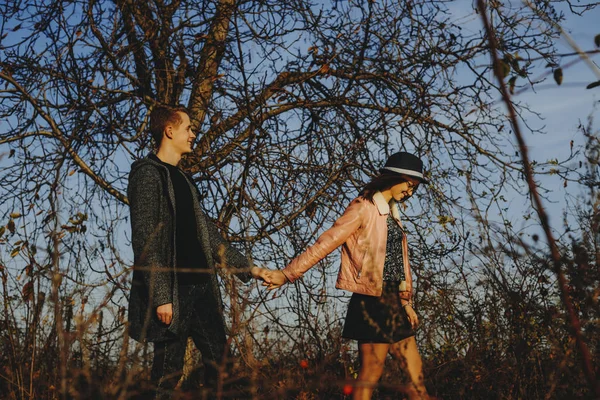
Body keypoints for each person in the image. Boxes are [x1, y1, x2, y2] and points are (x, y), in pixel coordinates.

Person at [258, 152, 432, 400]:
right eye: (409, 185)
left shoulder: (393, 214)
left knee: (417, 381)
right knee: (371, 374)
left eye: (415, 188)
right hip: (372, 301)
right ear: (393, 178)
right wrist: (287, 274)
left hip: (394, 300)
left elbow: (397, 262)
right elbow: (325, 243)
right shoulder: (363, 208)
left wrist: (405, 301)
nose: (410, 193)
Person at [127, 105, 267, 398]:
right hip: (174, 291)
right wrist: (162, 296)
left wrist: (249, 269)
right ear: (169, 131)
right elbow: (146, 239)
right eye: (188, 128)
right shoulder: (147, 175)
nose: (193, 133)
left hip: (202, 287)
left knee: (224, 369)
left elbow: (209, 237)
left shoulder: (185, 181)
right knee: (166, 376)